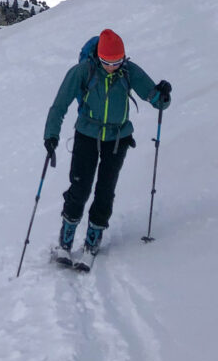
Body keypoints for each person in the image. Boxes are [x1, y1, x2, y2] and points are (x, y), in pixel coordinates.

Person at [43, 29, 171, 264]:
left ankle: (93, 240)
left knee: (105, 189)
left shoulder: (129, 71)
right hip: (87, 135)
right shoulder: (83, 71)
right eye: (107, 62)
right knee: (79, 187)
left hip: (117, 139)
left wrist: (162, 96)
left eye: (116, 61)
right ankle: (66, 240)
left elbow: (153, 97)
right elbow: (59, 105)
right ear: (98, 57)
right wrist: (51, 135)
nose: (112, 66)